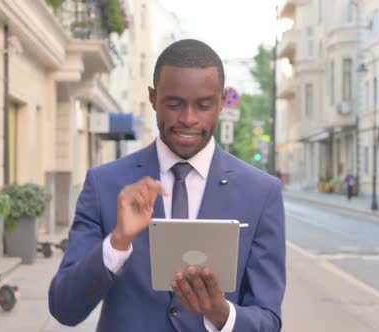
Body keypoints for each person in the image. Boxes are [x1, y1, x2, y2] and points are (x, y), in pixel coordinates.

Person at [48, 39, 286, 332]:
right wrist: (117, 243)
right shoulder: (105, 184)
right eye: (174, 104)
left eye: (203, 105)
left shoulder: (261, 193)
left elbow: (268, 320)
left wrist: (220, 313)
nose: (188, 119)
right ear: (153, 97)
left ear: (223, 101)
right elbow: (64, 308)